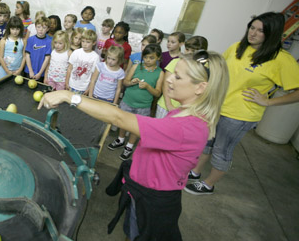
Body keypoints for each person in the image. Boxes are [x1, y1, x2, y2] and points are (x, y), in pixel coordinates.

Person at [38, 50, 229, 241]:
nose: (169, 78)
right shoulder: (182, 112)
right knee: (131, 238)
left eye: (178, 77)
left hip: (154, 204)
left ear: (201, 87)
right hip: (139, 191)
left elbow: (120, 119)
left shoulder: (190, 127)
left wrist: (70, 96)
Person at [185, 12, 299, 195]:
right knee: (207, 142)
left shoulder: (282, 59)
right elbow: (220, 71)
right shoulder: (237, 47)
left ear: (271, 33)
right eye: (251, 27)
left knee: (222, 150)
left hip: (240, 116)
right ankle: (195, 171)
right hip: (218, 107)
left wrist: (269, 102)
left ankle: (208, 184)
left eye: (260, 31)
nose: (253, 33)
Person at [108, 44, 164, 160]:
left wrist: (148, 87)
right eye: (145, 57)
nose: (148, 60)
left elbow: (158, 93)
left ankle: (129, 146)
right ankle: (120, 139)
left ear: (158, 58)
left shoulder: (160, 73)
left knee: (136, 127)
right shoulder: (136, 66)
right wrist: (132, 82)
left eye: (151, 58)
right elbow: (125, 82)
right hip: (128, 101)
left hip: (143, 106)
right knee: (123, 122)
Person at [156, 36, 208, 119]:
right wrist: (169, 105)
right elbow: (166, 84)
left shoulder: (203, 68)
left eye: (193, 51)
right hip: (166, 106)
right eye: (187, 49)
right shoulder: (176, 62)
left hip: (186, 109)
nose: (189, 53)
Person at [65, 29, 100, 94]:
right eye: (83, 41)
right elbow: (69, 69)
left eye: (88, 42)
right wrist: (66, 82)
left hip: (83, 88)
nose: (84, 44)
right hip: (71, 85)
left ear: (94, 43)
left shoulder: (95, 57)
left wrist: (89, 88)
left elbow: (93, 76)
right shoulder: (76, 52)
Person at [24, 16, 52, 81]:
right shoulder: (30, 39)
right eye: (39, 27)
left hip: (40, 73)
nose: (41, 30)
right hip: (28, 71)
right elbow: (27, 56)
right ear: (35, 27)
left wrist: (40, 73)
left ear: (48, 29)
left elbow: (47, 59)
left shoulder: (49, 42)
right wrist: (30, 71)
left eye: (44, 27)